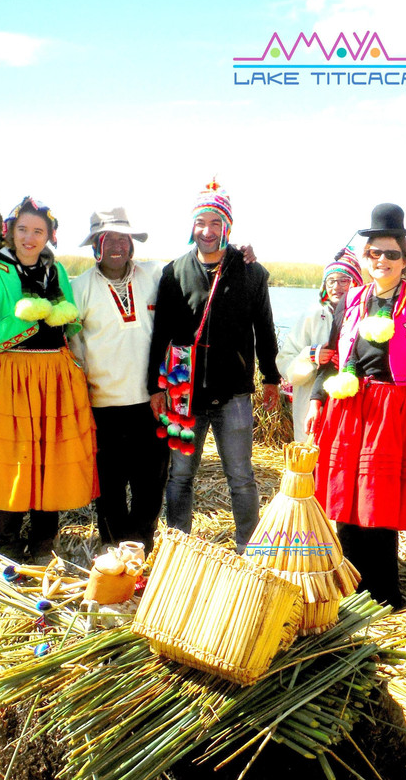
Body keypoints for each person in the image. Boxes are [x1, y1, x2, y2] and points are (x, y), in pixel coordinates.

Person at [306, 203, 406, 610]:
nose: (382, 260)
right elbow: (331, 354)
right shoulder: (352, 299)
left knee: (378, 498)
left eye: (392, 253)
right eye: (375, 253)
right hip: (348, 404)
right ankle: (349, 584)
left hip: (395, 406)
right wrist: (316, 399)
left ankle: (383, 592)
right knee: (345, 496)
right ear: (365, 257)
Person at [0, 197, 97, 561]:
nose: (30, 238)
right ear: (10, 233)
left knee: (47, 458)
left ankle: (43, 543)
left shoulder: (58, 273)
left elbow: (70, 324)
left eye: (38, 231)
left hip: (54, 377)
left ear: (49, 235)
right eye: (23, 230)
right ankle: (5, 545)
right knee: (14, 458)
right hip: (12, 378)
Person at [147, 180, 280, 553]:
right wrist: (153, 385)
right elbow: (161, 333)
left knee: (241, 476)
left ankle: (247, 549)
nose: (207, 231)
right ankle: (179, 547)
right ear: (192, 226)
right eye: (201, 222)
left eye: (215, 223)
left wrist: (270, 376)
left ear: (228, 226)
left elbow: (265, 328)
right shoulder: (174, 272)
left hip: (234, 393)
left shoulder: (251, 273)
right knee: (181, 476)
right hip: (182, 393)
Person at [69, 208, 167, 553]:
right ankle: (113, 548)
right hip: (102, 402)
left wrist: (240, 259)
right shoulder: (78, 287)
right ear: (96, 244)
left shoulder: (154, 275)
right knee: (109, 482)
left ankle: (143, 545)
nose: (117, 246)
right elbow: (72, 341)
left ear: (132, 244)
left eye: (123, 239)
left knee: (151, 480)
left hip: (150, 400)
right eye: (108, 238)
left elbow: (198, 270)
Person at [276, 243, 362, 442]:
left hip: (351, 403)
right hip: (310, 402)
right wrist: (312, 355)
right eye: (330, 281)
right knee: (311, 456)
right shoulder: (312, 316)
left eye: (344, 280)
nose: (336, 286)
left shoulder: (363, 315)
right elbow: (284, 361)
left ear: (356, 283)